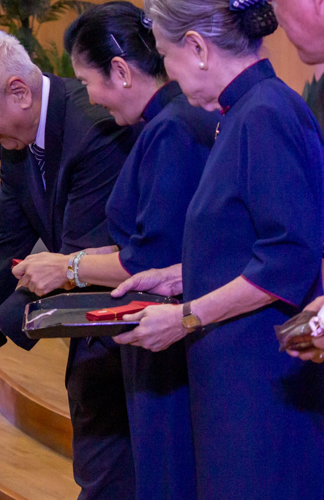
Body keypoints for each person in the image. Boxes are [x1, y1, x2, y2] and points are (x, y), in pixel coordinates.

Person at [108, 1, 324, 498]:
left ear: (198, 48)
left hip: (261, 384)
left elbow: (289, 255)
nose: (169, 73)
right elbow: (248, 240)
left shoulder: (265, 112)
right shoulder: (243, 111)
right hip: (238, 377)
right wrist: (182, 275)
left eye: (165, 56)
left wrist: (186, 316)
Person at [0, 29, 141, 499]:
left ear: (18, 91)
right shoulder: (17, 135)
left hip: (132, 331)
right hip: (91, 339)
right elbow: (6, 241)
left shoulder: (94, 125)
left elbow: (75, 259)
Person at [14, 3, 218, 498]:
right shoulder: (164, 122)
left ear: (121, 72)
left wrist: (69, 266)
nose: (89, 96)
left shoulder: (168, 128)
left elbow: (150, 257)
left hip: (168, 339)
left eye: (87, 80)